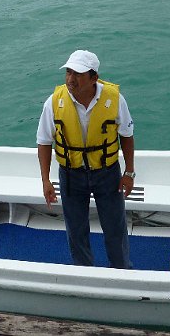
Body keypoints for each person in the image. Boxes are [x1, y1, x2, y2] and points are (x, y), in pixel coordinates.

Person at [36, 50, 135, 269]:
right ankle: (84, 272)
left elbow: (127, 136)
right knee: (76, 228)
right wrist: (45, 180)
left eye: (78, 74)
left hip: (107, 172)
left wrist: (129, 173)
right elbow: (44, 142)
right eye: (68, 72)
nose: (71, 78)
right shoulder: (53, 103)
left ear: (94, 78)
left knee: (115, 227)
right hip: (71, 174)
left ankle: (121, 271)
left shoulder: (115, 100)